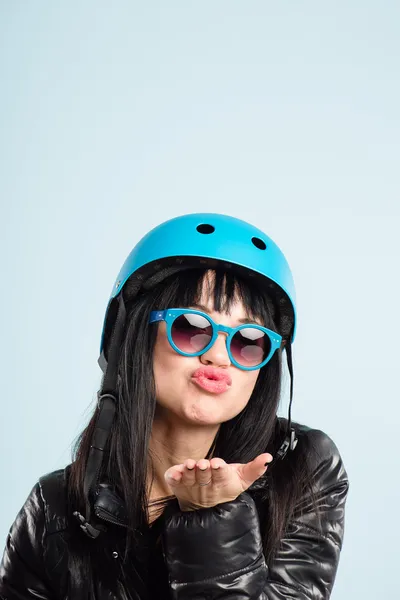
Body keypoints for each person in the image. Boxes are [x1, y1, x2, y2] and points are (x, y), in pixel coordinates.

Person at [0, 213, 349, 600]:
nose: (219, 356)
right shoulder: (52, 512)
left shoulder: (301, 467)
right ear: (133, 337)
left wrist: (212, 519)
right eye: (192, 326)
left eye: (248, 340)